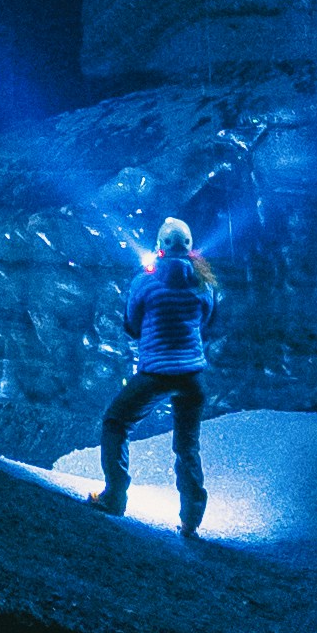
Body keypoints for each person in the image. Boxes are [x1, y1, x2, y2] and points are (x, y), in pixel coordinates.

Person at [97, 218, 217, 535]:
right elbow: (205, 323)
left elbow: (131, 324)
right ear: (190, 248)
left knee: (115, 423)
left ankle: (114, 496)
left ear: (160, 247)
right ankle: (191, 520)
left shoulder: (145, 283)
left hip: (155, 372)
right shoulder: (204, 285)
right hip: (192, 376)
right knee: (187, 446)